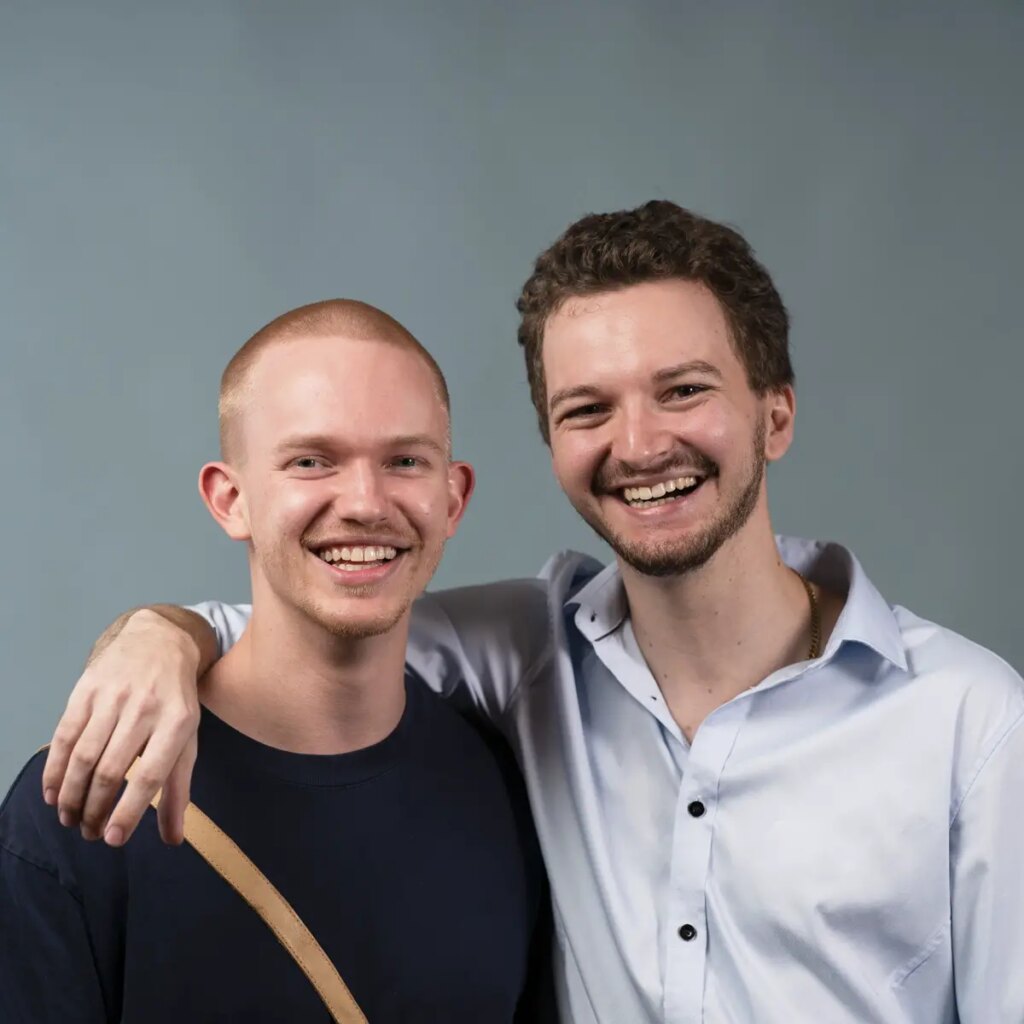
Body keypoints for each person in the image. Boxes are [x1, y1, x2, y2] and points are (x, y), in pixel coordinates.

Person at [38, 202, 1024, 1023]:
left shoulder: (970, 724)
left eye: (682, 390)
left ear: (775, 413)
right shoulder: (525, 655)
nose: (638, 444)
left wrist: (157, 634)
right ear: (550, 439)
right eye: (586, 409)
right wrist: (157, 635)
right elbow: (311, 615)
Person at [0, 300, 553, 1022]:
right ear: (231, 500)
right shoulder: (85, 799)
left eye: (405, 461)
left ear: (453, 500)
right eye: (310, 461)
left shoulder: (507, 786)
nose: (363, 502)